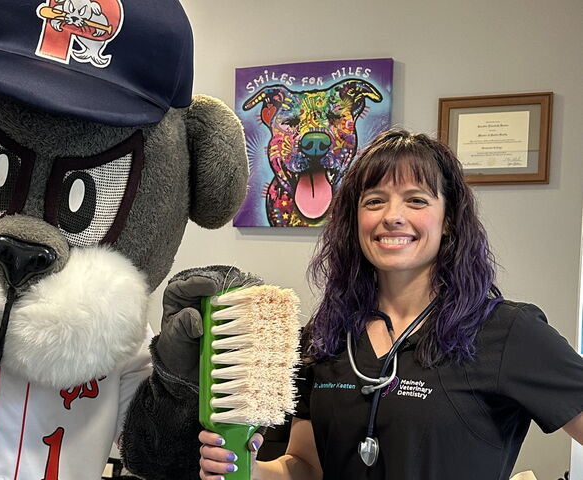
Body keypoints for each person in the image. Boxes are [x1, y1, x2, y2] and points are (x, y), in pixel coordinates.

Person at [198, 129, 583, 479]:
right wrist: (250, 472)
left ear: (448, 219)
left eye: (416, 200)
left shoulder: (507, 332)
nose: (392, 217)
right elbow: (306, 465)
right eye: (374, 201)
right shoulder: (328, 334)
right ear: (355, 220)